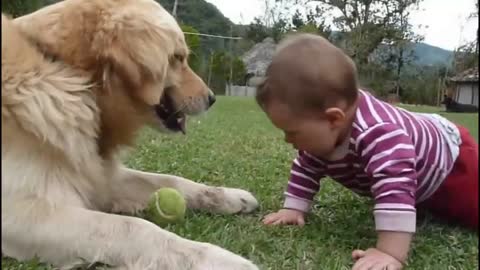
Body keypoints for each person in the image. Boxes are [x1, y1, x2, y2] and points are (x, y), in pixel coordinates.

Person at [255, 33, 478, 270]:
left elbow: (395, 183)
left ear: (333, 118)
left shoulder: (379, 134)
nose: (287, 140)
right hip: (417, 170)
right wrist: (293, 208)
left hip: (451, 162)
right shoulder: (322, 136)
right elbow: (306, 167)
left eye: (292, 132)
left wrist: (389, 251)